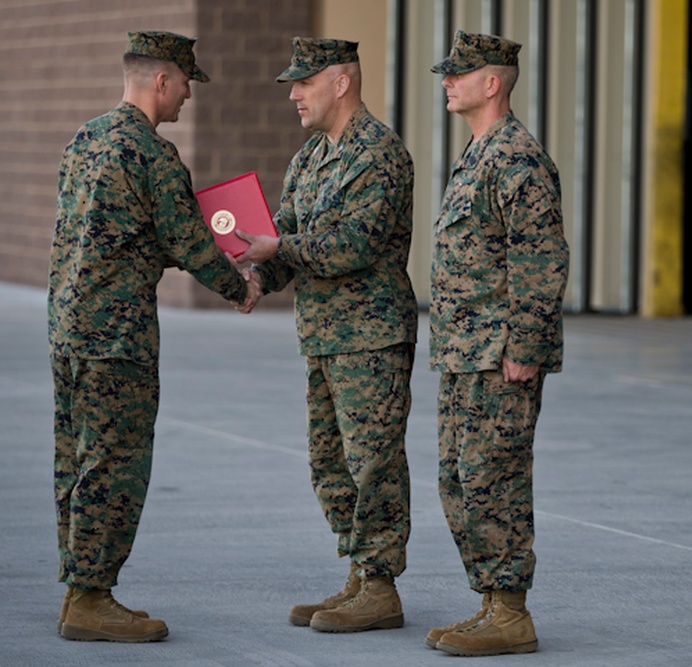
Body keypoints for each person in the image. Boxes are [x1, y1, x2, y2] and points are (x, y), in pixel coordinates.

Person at [49, 30, 260, 643]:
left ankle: (78, 590)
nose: (189, 96)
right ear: (161, 80)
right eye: (186, 82)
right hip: (118, 337)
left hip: (70, 328)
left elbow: (101, 235)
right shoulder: (150, 152)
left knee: (77, 461)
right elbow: (191, 242)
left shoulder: (85, 139)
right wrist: (239, 286)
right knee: (115, 465)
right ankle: (92, 598)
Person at [237, 37, 417, 634]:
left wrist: (279, 248)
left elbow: (353, 244)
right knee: (329, 462)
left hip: (370, 337)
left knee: (374, 464)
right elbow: (285, 235)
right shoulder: (310, 158)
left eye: (304, 82)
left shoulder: (379, 153)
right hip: (322, 336)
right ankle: (360, 574)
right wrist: (257, 277)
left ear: (341, 83)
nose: (293, 94)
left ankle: (382, 586)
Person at [425, 31, 569, 657]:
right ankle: (490, 602)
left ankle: (511, 611)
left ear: (493, 82)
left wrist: (527, 345)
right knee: (460, 479)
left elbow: (540, 259)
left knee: (495, 477)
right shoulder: (478, 155)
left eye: (460, 74)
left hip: (500, 356)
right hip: (464, 353)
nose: (447, 82)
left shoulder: (518, 158)